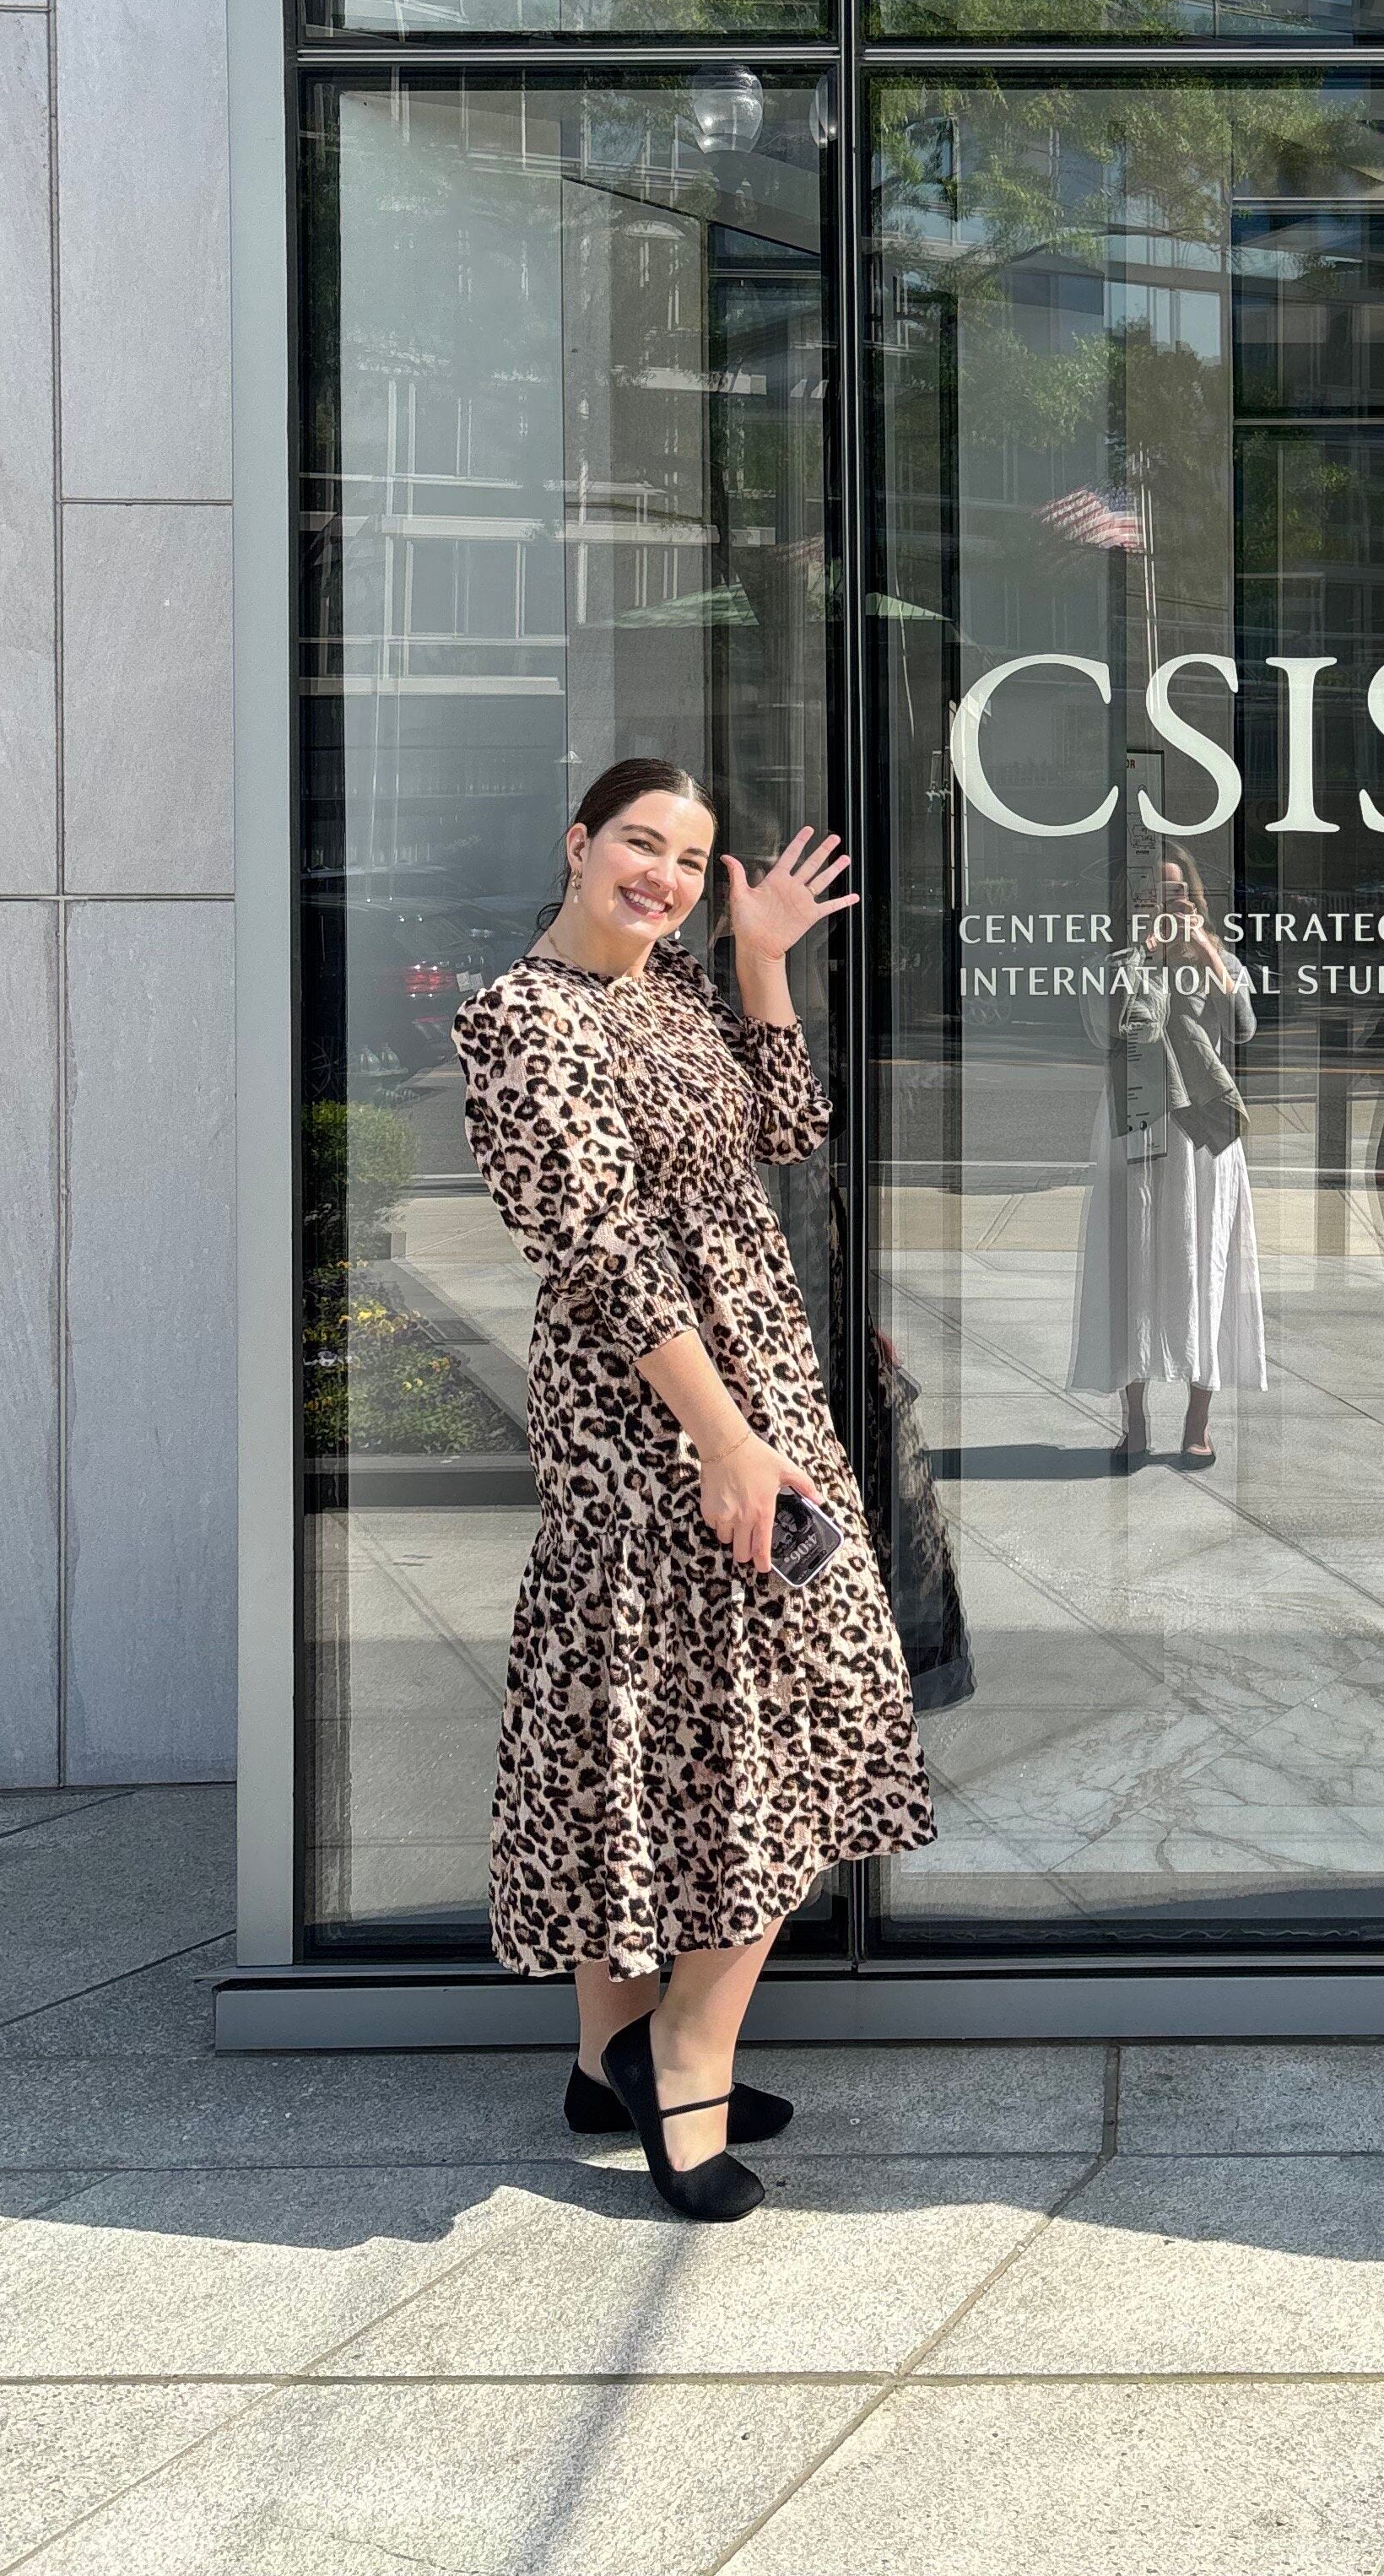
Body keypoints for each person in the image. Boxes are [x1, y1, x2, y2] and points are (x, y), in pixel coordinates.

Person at [453, 756, 934, 2222]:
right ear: (576, 841)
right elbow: (599, 1248)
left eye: (685, 856)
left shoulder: (667, 991)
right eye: (638, 843)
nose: (660, 875)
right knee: (768, 1721)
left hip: (755, 1389)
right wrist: (723, 1441)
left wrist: (762, 960)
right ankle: (682, 2051)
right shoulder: (519, 1017)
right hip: (657, 1418)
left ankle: (601, 2056)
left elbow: (785, 1128)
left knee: (656, 1721)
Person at [1068, 841, 1266, 1466]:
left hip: (1202, 1130)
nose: (1166, 901)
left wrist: (1204, 950)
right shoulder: (1113, 963)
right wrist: (1145, 953)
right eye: (1151, 893)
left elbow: (1244, 1029)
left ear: (1194, 897)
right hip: (1137, 1119)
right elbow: (1107, 1028)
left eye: (1176, 891)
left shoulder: (1219, 958)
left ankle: (1198, 1422)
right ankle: (1135, 1421)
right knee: (1133, 1264)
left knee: (1207, 1260)